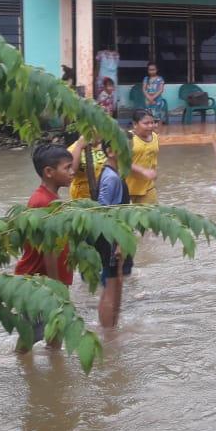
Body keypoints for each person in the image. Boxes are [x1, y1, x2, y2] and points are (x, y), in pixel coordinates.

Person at [14, 143, 75, 351]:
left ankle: (55, 377)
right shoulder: (43, 202)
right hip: (40, 282)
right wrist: (56, 288)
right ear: (49, 172)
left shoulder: (51, 199)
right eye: (67, 167)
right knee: (29, 339)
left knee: (56, 329)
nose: (72, 172)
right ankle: (24, 371)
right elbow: (48, 250)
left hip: (49, 279)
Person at [95, 140, 132, 327]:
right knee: (111, 285)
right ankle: (109, 334)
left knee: (116, 283)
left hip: (117, 236)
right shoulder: (111, 178)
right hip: (112, 238)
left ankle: (112, 332)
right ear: (109, 151)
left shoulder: (114, 173)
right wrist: (117, 242)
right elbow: (103, 210)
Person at [126, 109, 160, 205]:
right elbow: (120, 161)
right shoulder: (128, 138)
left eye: (152, 122)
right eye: (146, 123)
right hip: (128, 188)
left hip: (148, 187)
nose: (150, 126)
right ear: (135, 124)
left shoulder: (155, 136)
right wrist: (143, 171)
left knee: (151, 215)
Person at [67, 134, 106, 201]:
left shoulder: (106, 146)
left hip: (104, 194)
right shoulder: (74, 148)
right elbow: (71, 172)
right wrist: (79, 147)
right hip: (82, 197)